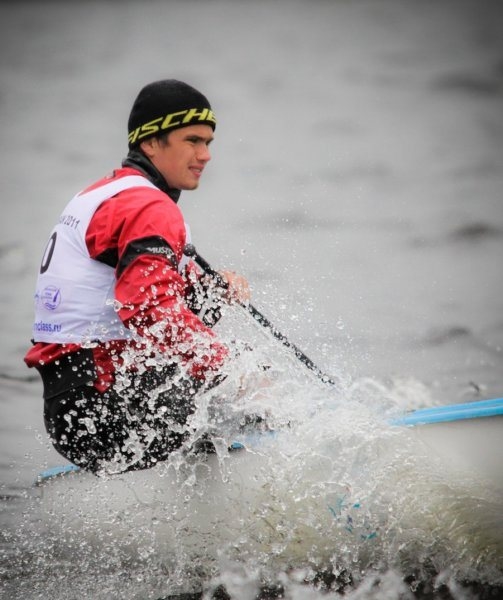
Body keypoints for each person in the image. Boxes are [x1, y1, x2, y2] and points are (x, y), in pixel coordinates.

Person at [24, 79, 250, 475]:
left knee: (219, 360)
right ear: (149, 143)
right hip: (106, 411)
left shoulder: (107, 193)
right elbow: (149, 308)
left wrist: (212, 291)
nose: (205, 155)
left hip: (71, 414)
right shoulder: (149, 206)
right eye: (192, 141)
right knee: (247, 385)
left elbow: (149, 295)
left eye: (208, 143)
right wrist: (227, 369)